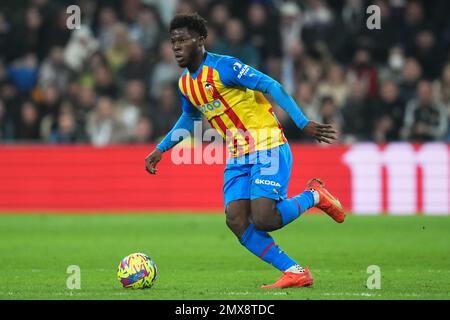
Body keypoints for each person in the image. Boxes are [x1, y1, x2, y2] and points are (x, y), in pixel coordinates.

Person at [145, 13, 345, 289]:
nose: (176, 47)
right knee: (236, 219)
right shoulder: (185, 84)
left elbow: (270, 84)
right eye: (173, 42)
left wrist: (302, 122)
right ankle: (295, 271)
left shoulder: (225, 67)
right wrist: (161, 148)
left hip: (268, 145)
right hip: (238, 155)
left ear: (201, 40)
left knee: (264, 218)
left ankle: (314, 195)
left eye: (183, 40)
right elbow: (189, 118)